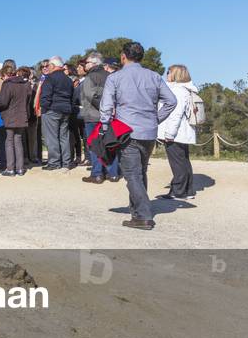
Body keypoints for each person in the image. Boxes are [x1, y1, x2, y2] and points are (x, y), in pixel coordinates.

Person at [99, 42, 177, 230]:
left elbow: (106, 107)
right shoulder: (154, 76)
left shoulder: (115, 78)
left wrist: (104, 126)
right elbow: (171, 101)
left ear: (123, 56)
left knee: (132, 174)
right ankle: (136, 209)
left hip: (126, 131)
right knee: (141, 172)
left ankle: (143, 215)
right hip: (149, 131)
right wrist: (155, 118)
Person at [157, 64, 199, 200]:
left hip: (176, 133)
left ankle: (178, 191)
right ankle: (188, 190)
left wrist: (169, 134)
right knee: (184, 161)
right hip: (182, 133)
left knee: (177, 163)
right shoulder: (186, 90)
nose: (166, 75)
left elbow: (175, 114)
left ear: (176, 74)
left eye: (168, 72)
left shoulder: (177, 91)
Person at [79, 52, 120, 183]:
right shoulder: (110, 76)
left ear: (94, 63)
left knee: (94, 145)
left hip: (93, 116)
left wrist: (103, 109)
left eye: (87, 63)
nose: (85, 65)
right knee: (110, 144)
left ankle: (97, 174)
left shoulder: (90, 77)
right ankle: (112, 173)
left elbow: (91, 96)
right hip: (110, 116)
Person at [39, 56, 75, 172]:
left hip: (52, 110)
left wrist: (45, 107)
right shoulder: (68, 79)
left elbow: (45, 97)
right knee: (64, 137)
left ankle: (54, 162)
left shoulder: (49, 78)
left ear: (53, 66)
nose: (47, 67)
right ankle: (66, 162)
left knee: (51, 137)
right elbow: (72, 96)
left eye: (48, 65)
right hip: (65, 110)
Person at [0, 66, 34, 176]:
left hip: (10, 116)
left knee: (9, 141)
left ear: (5, 75)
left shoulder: (7, 84)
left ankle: (10, 168)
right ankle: (20, 168)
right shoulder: (25, 84)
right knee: (18, 141)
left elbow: (3, 102)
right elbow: (28, 100)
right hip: (22, 115)